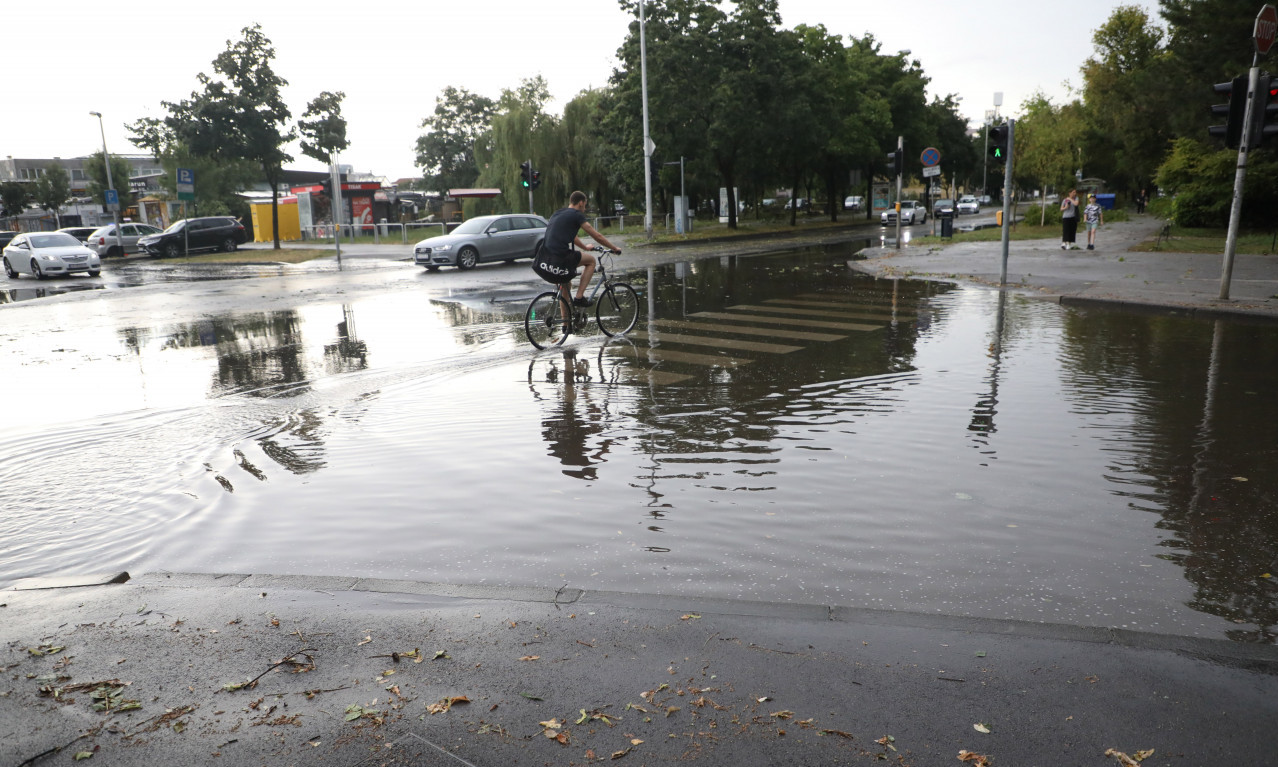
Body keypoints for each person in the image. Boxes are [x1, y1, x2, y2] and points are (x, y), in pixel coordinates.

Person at [534, 191, 621, 306]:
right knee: (591, 261)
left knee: (566, 286)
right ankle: (579, 297)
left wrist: (585, 247)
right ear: (580, 203)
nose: (584, 209)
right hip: (560, 259)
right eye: (585, 205)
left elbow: (572, 236)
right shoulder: (576, 214)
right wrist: (614, 248)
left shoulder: (558, 213)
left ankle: (565, 323)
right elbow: (597, 236)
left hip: (545, 259)